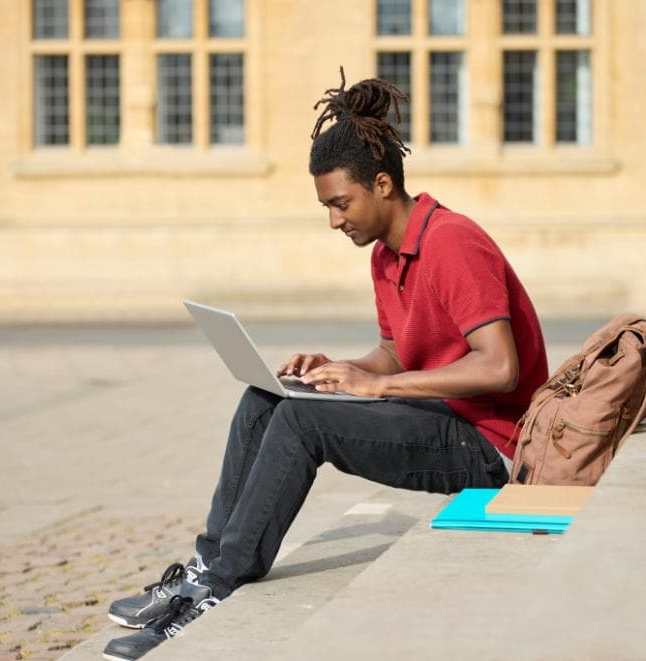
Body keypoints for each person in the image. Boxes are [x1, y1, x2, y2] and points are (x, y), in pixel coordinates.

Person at [101, 69, 549, 661]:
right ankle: (207, 563)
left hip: (495, 446)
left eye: (341, 203)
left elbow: (499, 370)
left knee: (301, 426)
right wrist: (337, 371)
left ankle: (220, 587)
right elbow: (396, 350)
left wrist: (381, 385)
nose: (334, 220)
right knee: (273, 398)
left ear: (383, 184)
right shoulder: (388, 256)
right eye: (327, 207)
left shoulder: (452, 243)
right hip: (442, 416)